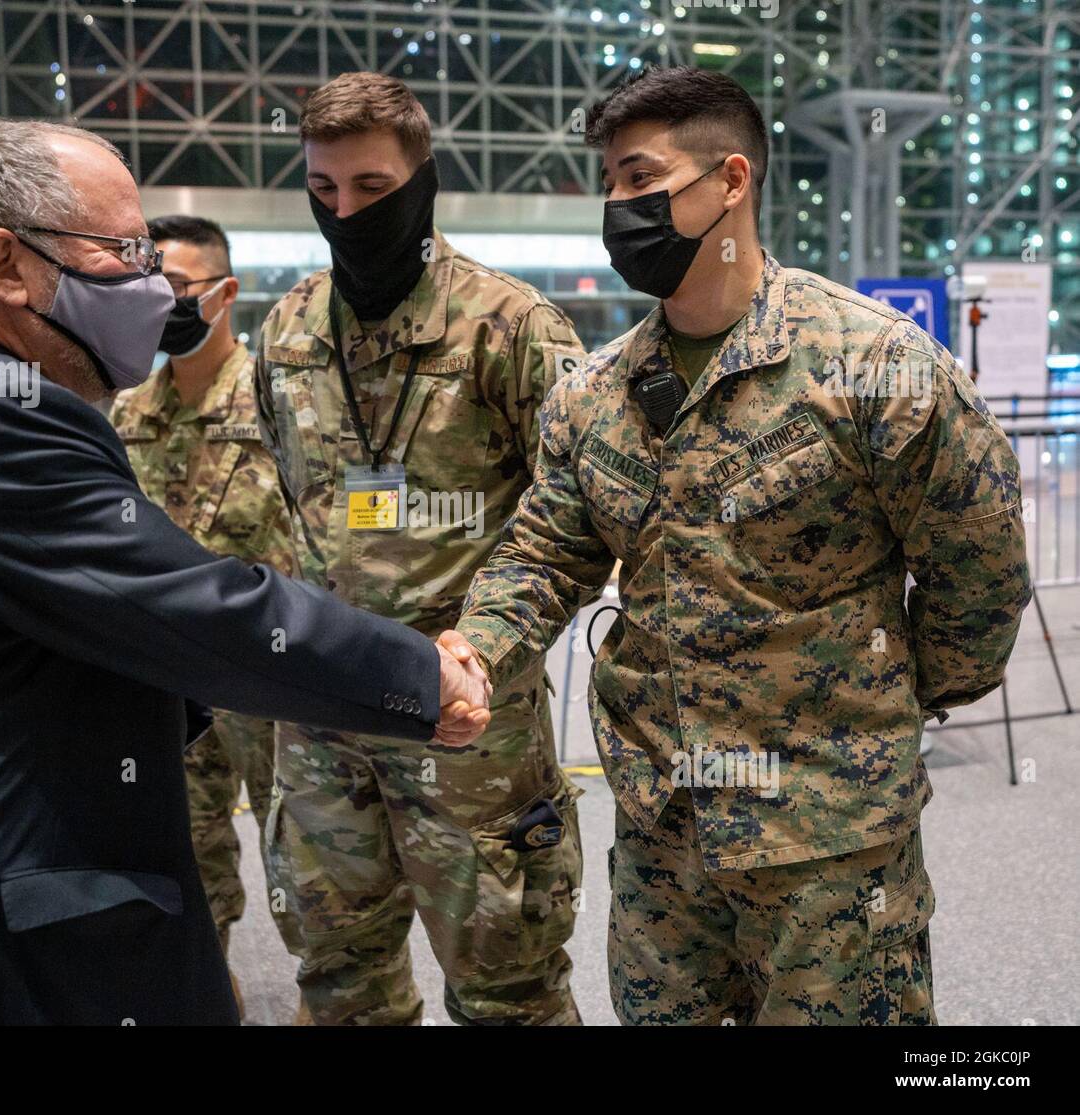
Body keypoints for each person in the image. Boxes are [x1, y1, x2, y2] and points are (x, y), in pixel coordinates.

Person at [0, 118, 491, 1026]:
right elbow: (199, 609)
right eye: (122, 251)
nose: (151, 281)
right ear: (6, 266)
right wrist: (422, 678)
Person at [442, 66, 1032, 1025]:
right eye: (610, 186)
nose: (619, 207)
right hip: (661, 825)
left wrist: (890, 706)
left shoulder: (873, 364)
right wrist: (475, 644)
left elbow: (982, 565)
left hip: (828, 839)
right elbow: (546, 551)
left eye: (642, 179)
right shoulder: (595, 392)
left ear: (731, 179)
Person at [255, 73, 587, 1026]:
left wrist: (486, 645)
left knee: (507, 991)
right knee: (340, 982)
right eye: (324, 191)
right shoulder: (286, 332)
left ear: (423, 180)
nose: (346, 211)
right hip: (322, 716)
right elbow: (301, 509)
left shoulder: (512, 329)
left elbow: (571, 521)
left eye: (370, 188)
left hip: (467, 715)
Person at [110, 214, 305, 1015]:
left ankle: (329, 996)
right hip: (169, 673)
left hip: (271, 670)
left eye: (179, 286)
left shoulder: (280, 401)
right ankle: (207, 984)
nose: (161, 300)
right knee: (186, 845)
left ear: (225, 294)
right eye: (148, 283)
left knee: (306, 848)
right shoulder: (125, 412)